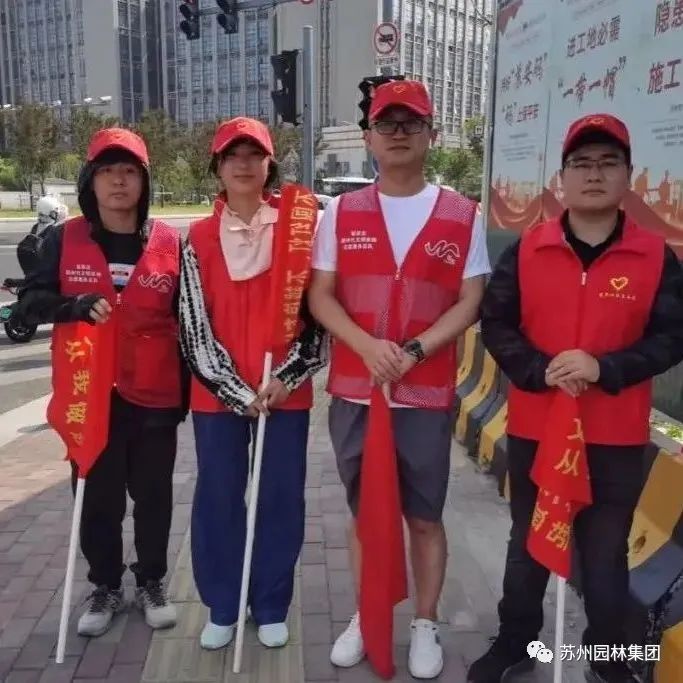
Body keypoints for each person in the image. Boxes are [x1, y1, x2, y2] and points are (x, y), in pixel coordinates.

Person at [469, 114, 683, 683]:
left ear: (628, 176)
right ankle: (516, 643)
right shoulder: (527, 249)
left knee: (605, 553)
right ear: (561, 178)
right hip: (538, 428)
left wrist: (604, 368)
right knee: (529, 543)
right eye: (581, 163)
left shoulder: (656, 257)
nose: (594, 174)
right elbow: (497, 323)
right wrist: (539, 369)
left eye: (608, 163)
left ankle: (607, 659)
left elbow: (671, 337)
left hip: (615, 433)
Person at [308, 80, 491, 679]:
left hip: (425, 392)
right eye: (386, 124)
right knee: (366, 514)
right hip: (356, 391)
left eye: (411, 123)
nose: (398, 133)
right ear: (369, 138)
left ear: (431, 135)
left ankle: (425, 621)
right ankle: (368, 615)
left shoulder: (462, 215)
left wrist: (413, 350)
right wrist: (367, 348)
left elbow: (470, 300)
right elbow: (321, 295)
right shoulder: (340, 213)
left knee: (424, 516)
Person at [16, 128, 185, 637]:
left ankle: (151, 581)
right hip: (89, 395)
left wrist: (189, 394)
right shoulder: (63, 239)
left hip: (154, 394)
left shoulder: (170, 243)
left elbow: (188, 320)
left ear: (144, 181)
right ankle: (105, 586)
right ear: (90, 181)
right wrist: (72, 307)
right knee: (97, 499)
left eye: (129, 171)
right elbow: (29, 305)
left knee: (153, 497)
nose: (118, 181)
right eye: (107, 171)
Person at [179, 117, 327, 651]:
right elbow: (193, 326)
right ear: (217, 168)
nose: (242, 164)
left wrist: (288, 377)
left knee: (279, 497)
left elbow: (320, 315)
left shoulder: (302, 227)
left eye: (253, 154)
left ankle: (269, 604)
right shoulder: (196, 238)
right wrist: (234, 391)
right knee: (219, 496)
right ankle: (223, 604)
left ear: (270, 164)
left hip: (284, 393)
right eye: (231, 156)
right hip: (217, 397)